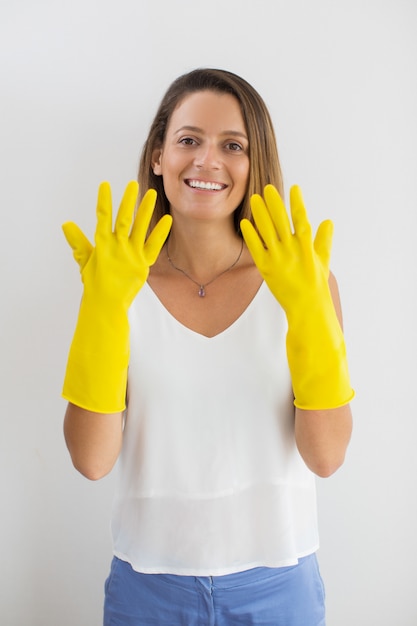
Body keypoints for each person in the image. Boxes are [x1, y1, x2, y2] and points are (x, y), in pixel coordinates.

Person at [62, 68, 354, 626]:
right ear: (157, 156)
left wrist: (308, 312)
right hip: (147, 586)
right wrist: (103, 309)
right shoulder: (117, 283)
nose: (207, 161)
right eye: (188, 140)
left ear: (254, 163)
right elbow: (91, 460)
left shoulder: (304, 283)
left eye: (233, 145)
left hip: (279, 584)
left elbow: (327, 456)